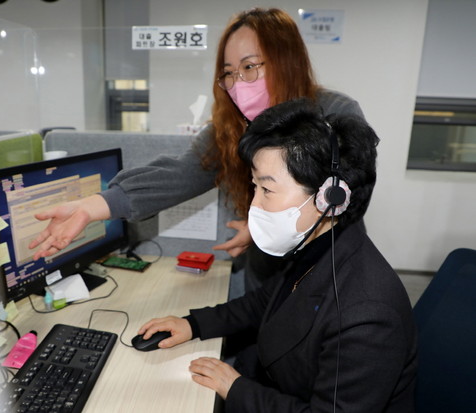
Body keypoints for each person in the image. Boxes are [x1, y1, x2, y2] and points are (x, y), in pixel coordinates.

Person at [28, 7, 365, 291]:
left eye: (250, 66)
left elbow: (348, 198)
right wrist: (91, 206)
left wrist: (274, 226)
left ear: (285, 61)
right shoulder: (232, 128)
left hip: (328, 266)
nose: (237, 83)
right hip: (266, 271)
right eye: (229, 73)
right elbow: (178, 174)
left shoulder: (337, 114)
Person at [136, 99, 418, 412]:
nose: (254, 205)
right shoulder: (318, 245)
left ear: (330, 198)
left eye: (267, 190)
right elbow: (266, 303)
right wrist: (194, 324)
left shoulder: (367, 316)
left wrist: (236, 388)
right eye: (254, 186)